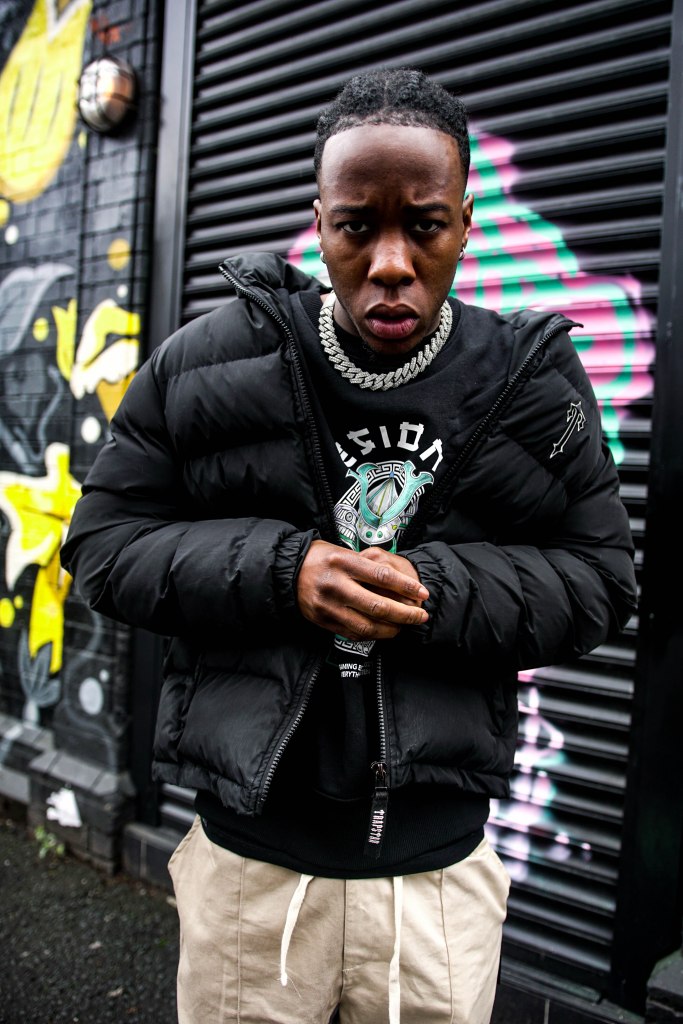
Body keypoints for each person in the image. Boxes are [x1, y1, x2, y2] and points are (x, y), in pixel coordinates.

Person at [61, 68, 637, 1024]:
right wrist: (284, 572)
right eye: (356, 227)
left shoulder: (529, 383)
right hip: (250, 874)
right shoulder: (211, 361)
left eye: (425, 225)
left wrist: (433, 588)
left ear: (465, 225)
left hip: (434, 885)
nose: (390, 262)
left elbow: (600, 581)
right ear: (319, 224)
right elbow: (105, 546)